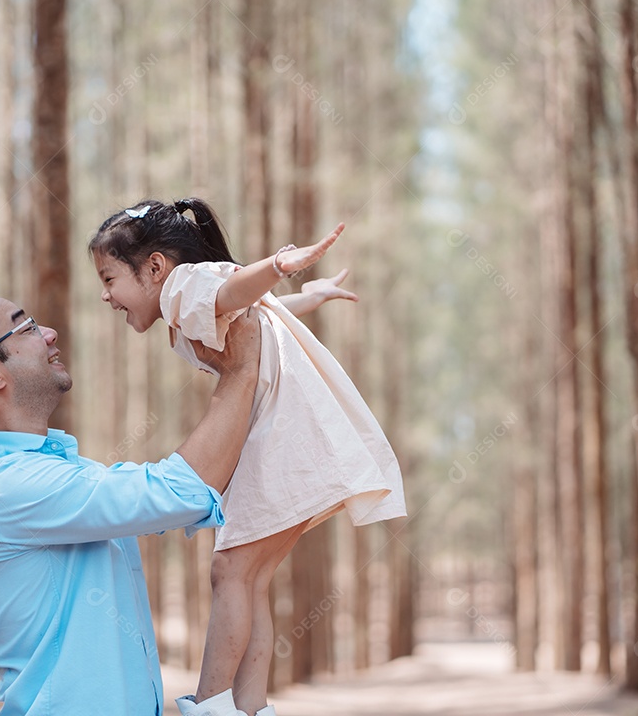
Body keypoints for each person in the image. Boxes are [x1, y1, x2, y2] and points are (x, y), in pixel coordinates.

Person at [89, 198, 407, 716]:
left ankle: (212, 704)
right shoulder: (189, 297)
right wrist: (307, 296)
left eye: (109, 279)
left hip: (283, 436)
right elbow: (253, 305)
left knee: (231, 572)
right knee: (248, 578)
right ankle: (249, 706)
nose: (105, 295)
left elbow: (236, 289)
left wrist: (278, 266)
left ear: (153, 268)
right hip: (292, 437)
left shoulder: (185, 286)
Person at [0, 288, 262, 716]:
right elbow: (176, 491)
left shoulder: (45, 471)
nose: (51, 334)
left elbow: (171, 489)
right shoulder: (6, 486)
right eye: (27, 327)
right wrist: (241, 371)